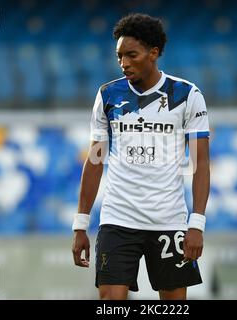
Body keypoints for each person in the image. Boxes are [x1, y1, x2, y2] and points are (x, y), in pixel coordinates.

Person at [71, 13, 210, 300]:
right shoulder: (108, 95)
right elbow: (95, 160)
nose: (123, 63)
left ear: (153, 52)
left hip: (168, 220)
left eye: (131, 55)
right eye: (119, 56)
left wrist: (196, 224)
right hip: (118, 219)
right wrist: (80, 225)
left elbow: (201, 163)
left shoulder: (186, 95)